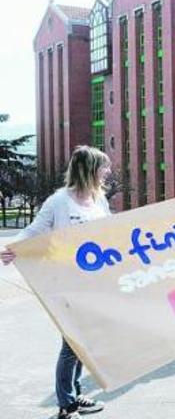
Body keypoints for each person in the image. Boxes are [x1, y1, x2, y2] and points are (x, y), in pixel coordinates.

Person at [1, 146, 110, 419]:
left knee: (82, 343)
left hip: (93, 283)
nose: (107, 171)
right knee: (71, 343)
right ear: (89, 169)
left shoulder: (99, 200)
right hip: (67, 282)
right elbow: (36, 229)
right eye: (103, 166)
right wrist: (14, 247)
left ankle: (74, 393)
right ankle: (66, 404)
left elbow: (109, 232)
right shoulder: (59, 201)